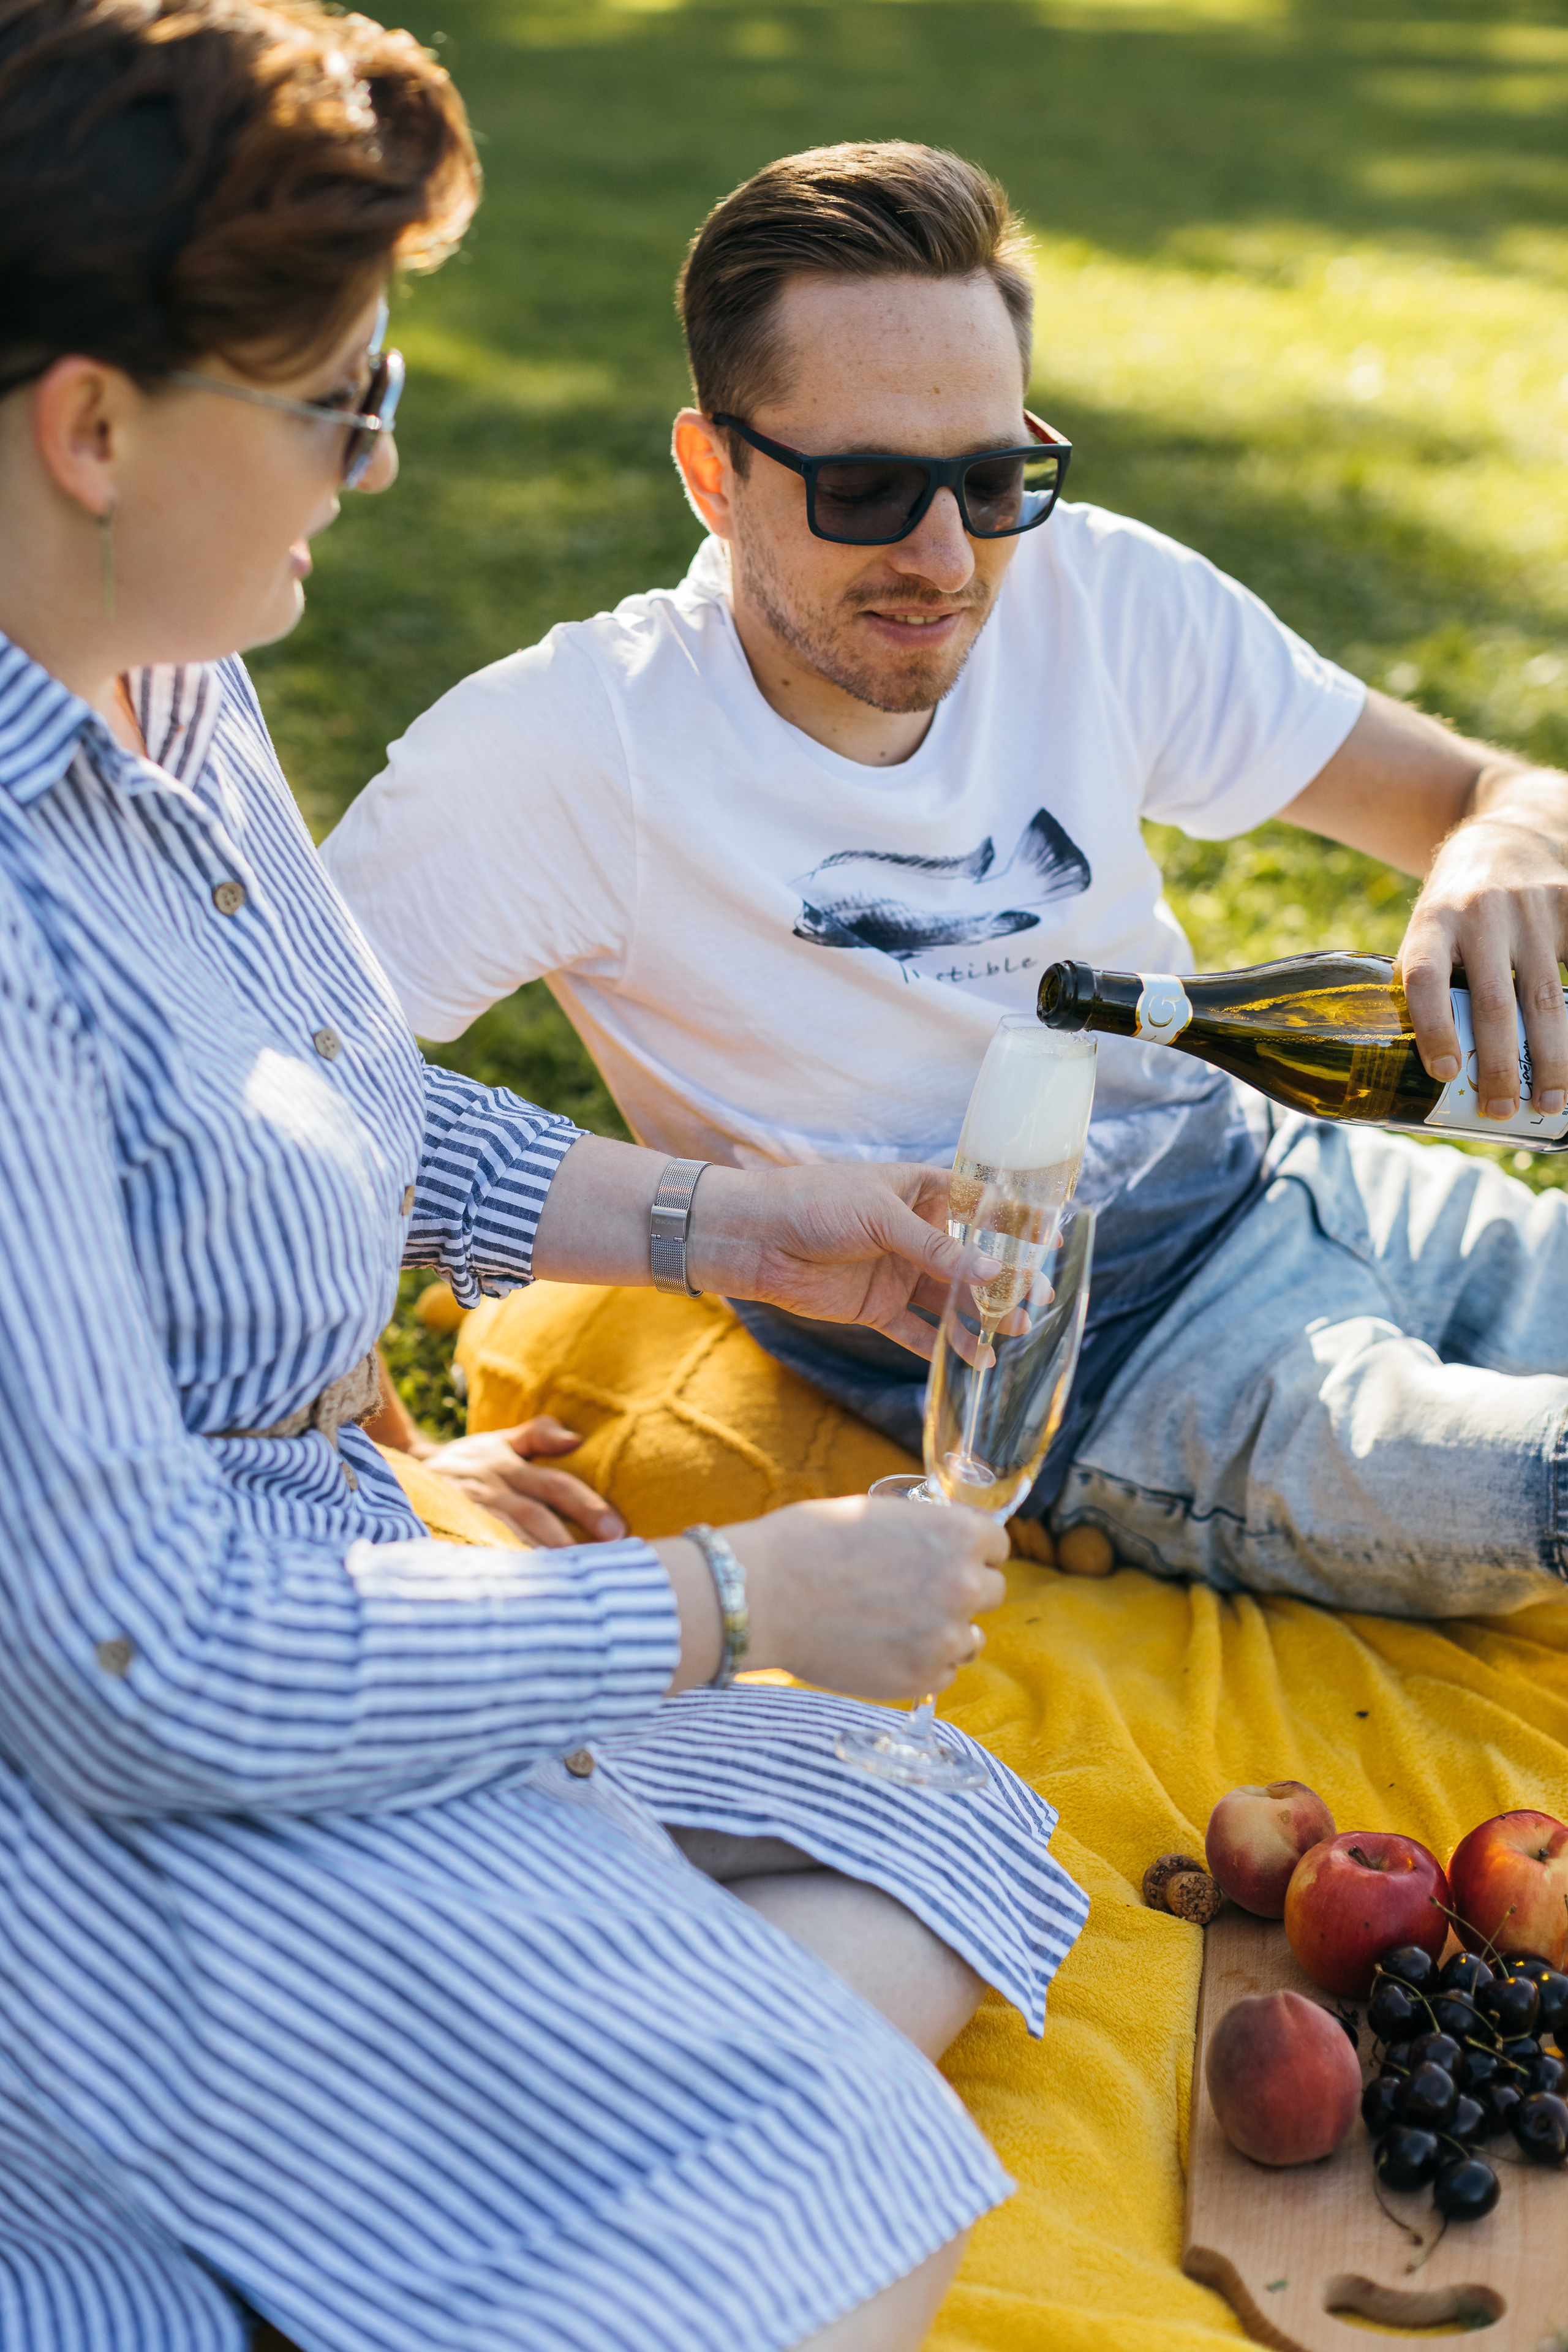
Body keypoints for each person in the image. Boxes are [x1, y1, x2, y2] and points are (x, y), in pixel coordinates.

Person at [0, 21, 1091, 2350]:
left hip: (324, 1569)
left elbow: (348, 1094)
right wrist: (725, 1599)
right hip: (91, 1784)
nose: (382, 469)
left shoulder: (165, 681)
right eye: (340, 407)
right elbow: (131, 1670)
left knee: (943, 1833)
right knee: (833, 2171)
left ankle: (469, 2120)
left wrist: (726, 1220)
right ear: (93, 429)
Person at [325, 139, 1568, 1621]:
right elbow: (260, 1108)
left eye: (990, 478)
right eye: (861, 487)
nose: (945, 556)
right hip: (1082, 1355)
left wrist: (1498, 847)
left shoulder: (1093, 589)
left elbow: (1491, 791)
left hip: (1298, 1173)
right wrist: (382, 1461)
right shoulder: (565, 751)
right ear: (712, 473)